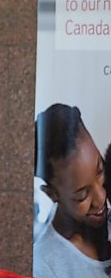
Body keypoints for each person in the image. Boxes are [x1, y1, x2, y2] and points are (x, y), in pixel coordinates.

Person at [33, 103, 111, 278]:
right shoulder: (44, 265)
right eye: (82, 195)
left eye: (100, 171)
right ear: (51, 194)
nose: (101, 197)